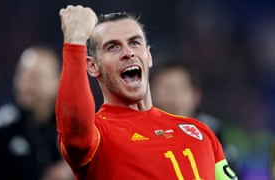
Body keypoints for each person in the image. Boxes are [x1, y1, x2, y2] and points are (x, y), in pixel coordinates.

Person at [56, 5, 238, 179]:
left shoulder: (200, 132)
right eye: (113, 47)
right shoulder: (98, 135)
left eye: (134, 42)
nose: (128, 53)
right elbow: (74, 128)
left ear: (148, 56)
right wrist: (75, 40)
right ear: (93, 66)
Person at [0, 46, 74, 180]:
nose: (24, 85)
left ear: (58, 82)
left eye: (35, 78)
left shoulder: (73, 129)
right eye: (22, 74)